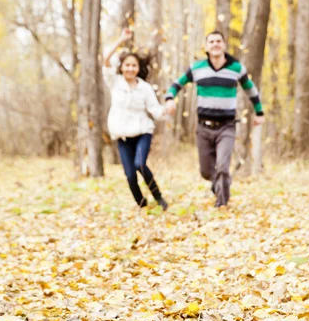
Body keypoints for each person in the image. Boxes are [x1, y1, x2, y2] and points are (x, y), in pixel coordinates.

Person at [165, 30, 264, 207]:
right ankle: (220, 183)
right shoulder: (197, 68)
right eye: (211, 42)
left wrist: (259, 112)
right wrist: (169, 99)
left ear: (224, 45)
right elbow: (176, 84)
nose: (215, 44)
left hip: (226, 126)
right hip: (203, 127)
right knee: (205, 171)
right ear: (206, 47)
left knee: (223, 167)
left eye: (219, 41)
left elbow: (251, 90)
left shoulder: (236, 68)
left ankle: (222, 205)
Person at [104, 29, 169, 210]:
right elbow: (105, 59)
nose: (130, 69)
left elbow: (155, 110)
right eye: (127, 65)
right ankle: (141, 203)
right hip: (122, 135)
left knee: (140, 164)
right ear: (122, 67)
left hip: (142, 132)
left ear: (138, 68)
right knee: (130, 174)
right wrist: (121, 40)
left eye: (134, 66)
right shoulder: (114, 82)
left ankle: (159, 198)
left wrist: (167, 110)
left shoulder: (145, 88)